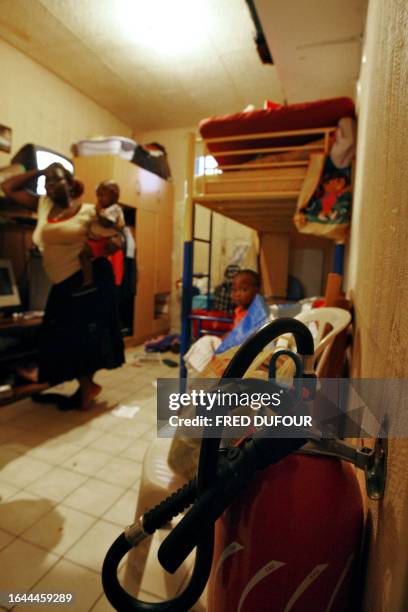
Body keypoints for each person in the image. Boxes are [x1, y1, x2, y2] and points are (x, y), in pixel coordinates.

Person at [2, 163, 125, 410]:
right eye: (45, 182)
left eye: (55, 180)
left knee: (82, 336)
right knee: (60, 335)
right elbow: (7, 186)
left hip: (87, 279)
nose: (48, 186)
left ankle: (86, 387)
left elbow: (117, 237)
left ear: (70, 183)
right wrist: (41, 171)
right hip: (63, 281)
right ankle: (84, 386)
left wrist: (108, 245)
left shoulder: (88, 211)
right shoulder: (43, 204)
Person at [79, 180, 125, 287]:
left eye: (102, 195)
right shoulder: (102, 210)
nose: (99, 199)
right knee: (83, 254)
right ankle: (87, 280)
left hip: (106, 241)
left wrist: (98, 212)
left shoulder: (115, 209)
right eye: (98, 195)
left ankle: (89, 281)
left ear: (114, 196)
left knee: (89, 256)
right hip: (96, 240)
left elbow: (106, 223)